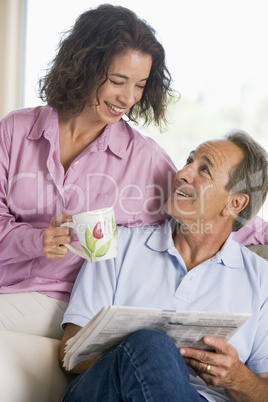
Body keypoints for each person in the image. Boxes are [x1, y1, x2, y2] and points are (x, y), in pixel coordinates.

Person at [0, 4, 178, 339]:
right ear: (84, 67)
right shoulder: (14, 130)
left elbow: (205, 212)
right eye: (117, 81)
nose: (128, 98)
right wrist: (35, 240)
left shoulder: (143, 160)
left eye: (140, 85)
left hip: (61, 303)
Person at [59, 130, 268, 401]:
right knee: (151, 344)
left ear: (235, 203)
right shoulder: (118, 246)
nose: (182, 172)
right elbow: (69, 354)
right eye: (188, 160)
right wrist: (143, 356)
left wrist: (236, 378)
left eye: (204, 169)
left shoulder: (262, 279)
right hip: (110, 391)